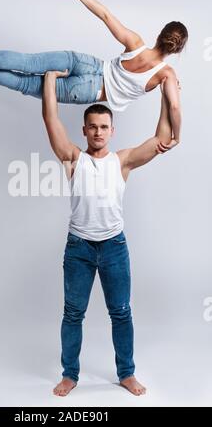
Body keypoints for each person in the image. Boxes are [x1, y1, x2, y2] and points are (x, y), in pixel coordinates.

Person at [41, 68, 177, 397]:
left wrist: (164, 94)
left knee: (121, 311)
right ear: (85, 130)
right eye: (93, 127)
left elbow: (161, 139)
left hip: (114, 247)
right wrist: (49, 80)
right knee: (73, 313)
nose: (98, 132)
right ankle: (70, 374)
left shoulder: (123, 161)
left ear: (111, 131)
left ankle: (126, 373)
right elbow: (50, 120)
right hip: (79, 249)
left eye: (104, 127)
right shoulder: (73, 158)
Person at [0, 0, 187, 147]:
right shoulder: (166, 75)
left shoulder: (137, 43)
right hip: (89, 90)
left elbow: (106, 16)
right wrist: (177, 136)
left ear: (160, 34)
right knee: (23, 83)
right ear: (178, 49)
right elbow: (173, 105)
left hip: (86, 63)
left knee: (26, 61)